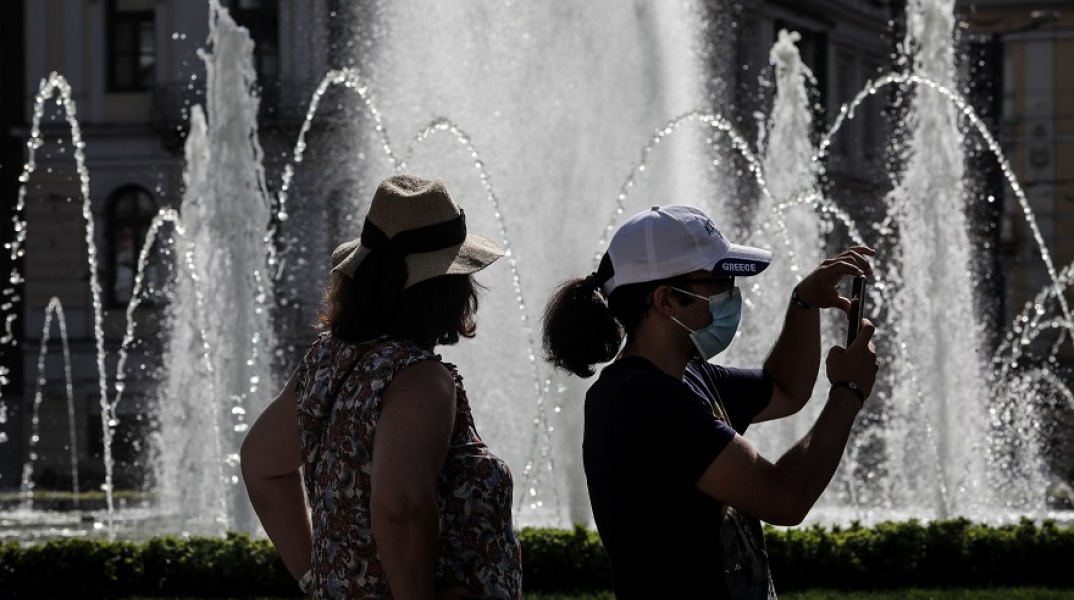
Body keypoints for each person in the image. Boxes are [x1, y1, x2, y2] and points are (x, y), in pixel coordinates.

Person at [541, 204, 879, 599]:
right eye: (720, 280)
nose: (731, 292)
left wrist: (804, 302)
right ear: (667, 299)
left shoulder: (689, 374)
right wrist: (848, 393)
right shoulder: (641, 401)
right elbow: (785, 498)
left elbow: (785, 388)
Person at [241, 174, 523, 600]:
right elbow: (399, 507)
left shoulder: (326, 360)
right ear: (445, 287)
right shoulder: (419, 378)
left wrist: (318, 578)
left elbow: (260, 463)